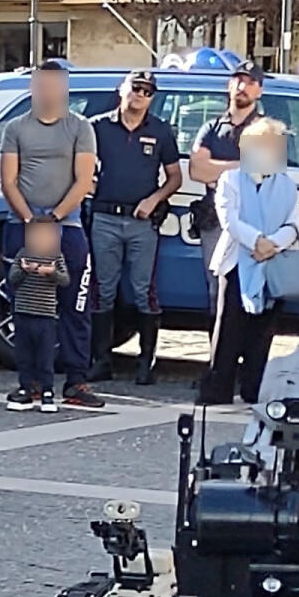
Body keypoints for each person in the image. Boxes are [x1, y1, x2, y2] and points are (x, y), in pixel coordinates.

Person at [0, 60, 102, 408]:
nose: (48, 92)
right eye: (41, 85)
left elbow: (84, 180)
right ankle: (30, 384)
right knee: (24, 306)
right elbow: (8, 181)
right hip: (22, 223)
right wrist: (30, 219)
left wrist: (55, 217)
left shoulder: (80, 127)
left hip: (67, 223)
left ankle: (76, 382)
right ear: (33, 88)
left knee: (76, 303)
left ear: (65, 89)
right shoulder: (15, 128)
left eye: (55, 86)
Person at [88, 69, 182, 385]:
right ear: (122, 89)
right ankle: (101, 361)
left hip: (142, 221)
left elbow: (175, 177)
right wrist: (87, 183)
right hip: (105, 218)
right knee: (103, 290)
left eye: (147, 91)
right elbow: (80, 164)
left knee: (145, 291)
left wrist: (154, 200)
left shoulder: (160, 130)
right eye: (135, 87)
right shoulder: (98, 127)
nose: (140, 94)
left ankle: (146, 364)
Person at [199, 118, 299, 405]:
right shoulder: (231, 179)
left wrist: (273, 244)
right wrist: (257, 240)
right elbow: (229, 220)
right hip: (235, 263)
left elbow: (293, 225)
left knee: (262, 332)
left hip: (272, 265)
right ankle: (218, 389)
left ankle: (253, 387)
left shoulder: (287, 185)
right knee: (228, 329)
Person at [189, 61, 264, 326]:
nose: (243, 86)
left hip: (254, 221)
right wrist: (241, 168)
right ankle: (218, 350)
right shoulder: (211, 128)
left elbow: (264, 172)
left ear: (259, 91)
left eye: (250, 82)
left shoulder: (267, 128)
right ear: (229, 85)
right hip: (216, 220)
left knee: (251, 288)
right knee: (216, 289)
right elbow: (197, 170)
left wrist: (218, 173)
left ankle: (246, 351)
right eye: (239, 80)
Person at [6, 216, 69, 413]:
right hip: (23, 312)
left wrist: (52, 273)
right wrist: (25, 270)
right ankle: (25, 389)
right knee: (24, 355)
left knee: (45, 357)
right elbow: (12, 278)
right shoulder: (23, 254)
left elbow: (65, 280)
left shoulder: (56, 256)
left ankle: (47, 392)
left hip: (46, 315)